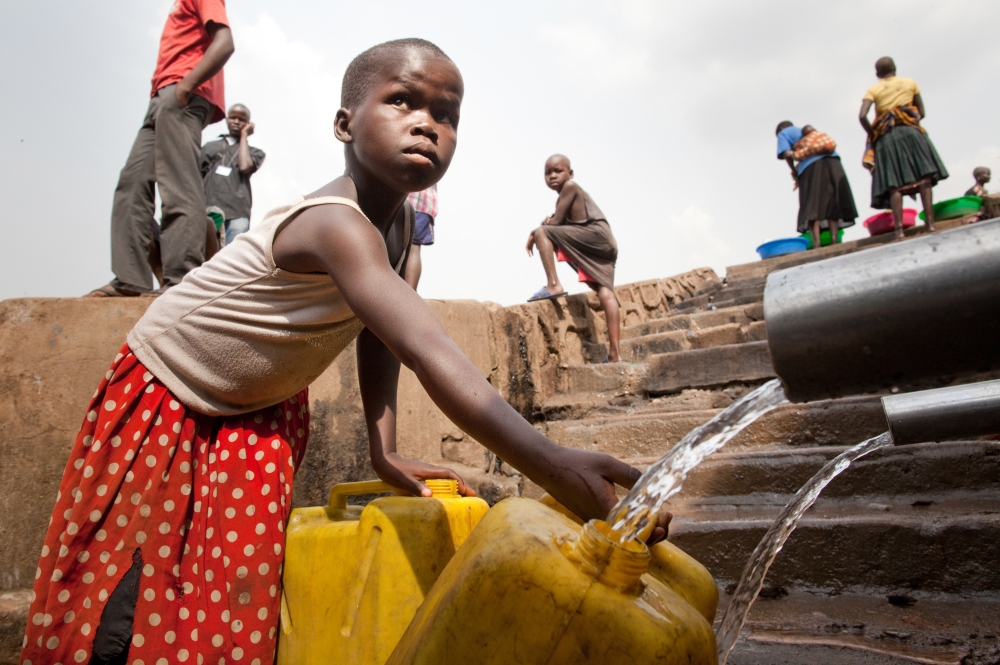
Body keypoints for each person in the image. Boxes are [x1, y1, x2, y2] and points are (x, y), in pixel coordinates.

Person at [22, 39, 664, 665]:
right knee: (128, 601)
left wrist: (383, 449)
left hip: (259, 411)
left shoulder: (403, 221)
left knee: (230, 594)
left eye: (446, 114)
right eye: (403, 102)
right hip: (168, 397)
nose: (428, 125)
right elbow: (426, 345)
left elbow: (383, 330)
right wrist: (554, 464)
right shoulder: (334, 223)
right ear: (343, 124)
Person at [86, 0, 234, 298]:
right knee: (132, 183)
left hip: (182, 92)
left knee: (177, 184)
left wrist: (185, 88)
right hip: (162, 96)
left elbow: (225, 43)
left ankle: (180, 279)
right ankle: (129, 278)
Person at [525, 155, 622, 362]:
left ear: (570, 173)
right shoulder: (565, 195)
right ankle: (615, 354)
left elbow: (555, 224)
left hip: (594, 235)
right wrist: (551, 222)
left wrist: (535, 232)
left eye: (557, 171)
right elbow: (559, 221)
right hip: (606, 242)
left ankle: (553, 285)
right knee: (605, 292)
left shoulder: (570, 186)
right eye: (547, 173)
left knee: (542, 232)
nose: (552, 176)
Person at [859, 56, 949, 239]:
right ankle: (930, 225)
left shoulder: (873, 90)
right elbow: (921, 112)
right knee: (924, 179)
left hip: (887, 138)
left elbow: (862, 116)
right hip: (911, 134)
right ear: (895, 68)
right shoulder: (909, 83)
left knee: (895, 185)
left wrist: (874, 133)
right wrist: (906, 120)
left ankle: (899, 231)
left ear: (877, 74)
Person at [776, 121, 857, 249]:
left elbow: (786, 154)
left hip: (811, 166)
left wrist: (793, 170)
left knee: (811, 204)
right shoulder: (809, 132)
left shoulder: (783, 133)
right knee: (832, 201)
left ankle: (817, 244)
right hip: (833, 162)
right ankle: (835, 241)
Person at [201, 104, 266, 246]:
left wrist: (244, 135)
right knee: (203, 257)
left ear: (248, 123)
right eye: (233, 117)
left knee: (230, 259)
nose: (236, 122)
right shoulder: (209, 147)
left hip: (237, 213)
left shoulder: (255, 152)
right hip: (207, 208)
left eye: (241, 119)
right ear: (227, 119)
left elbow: (245, 166)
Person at [404, 184, 437, 290]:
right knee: (413, 247)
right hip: (423, 201)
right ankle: (409, 296)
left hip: (401, 196)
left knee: (384, 242)